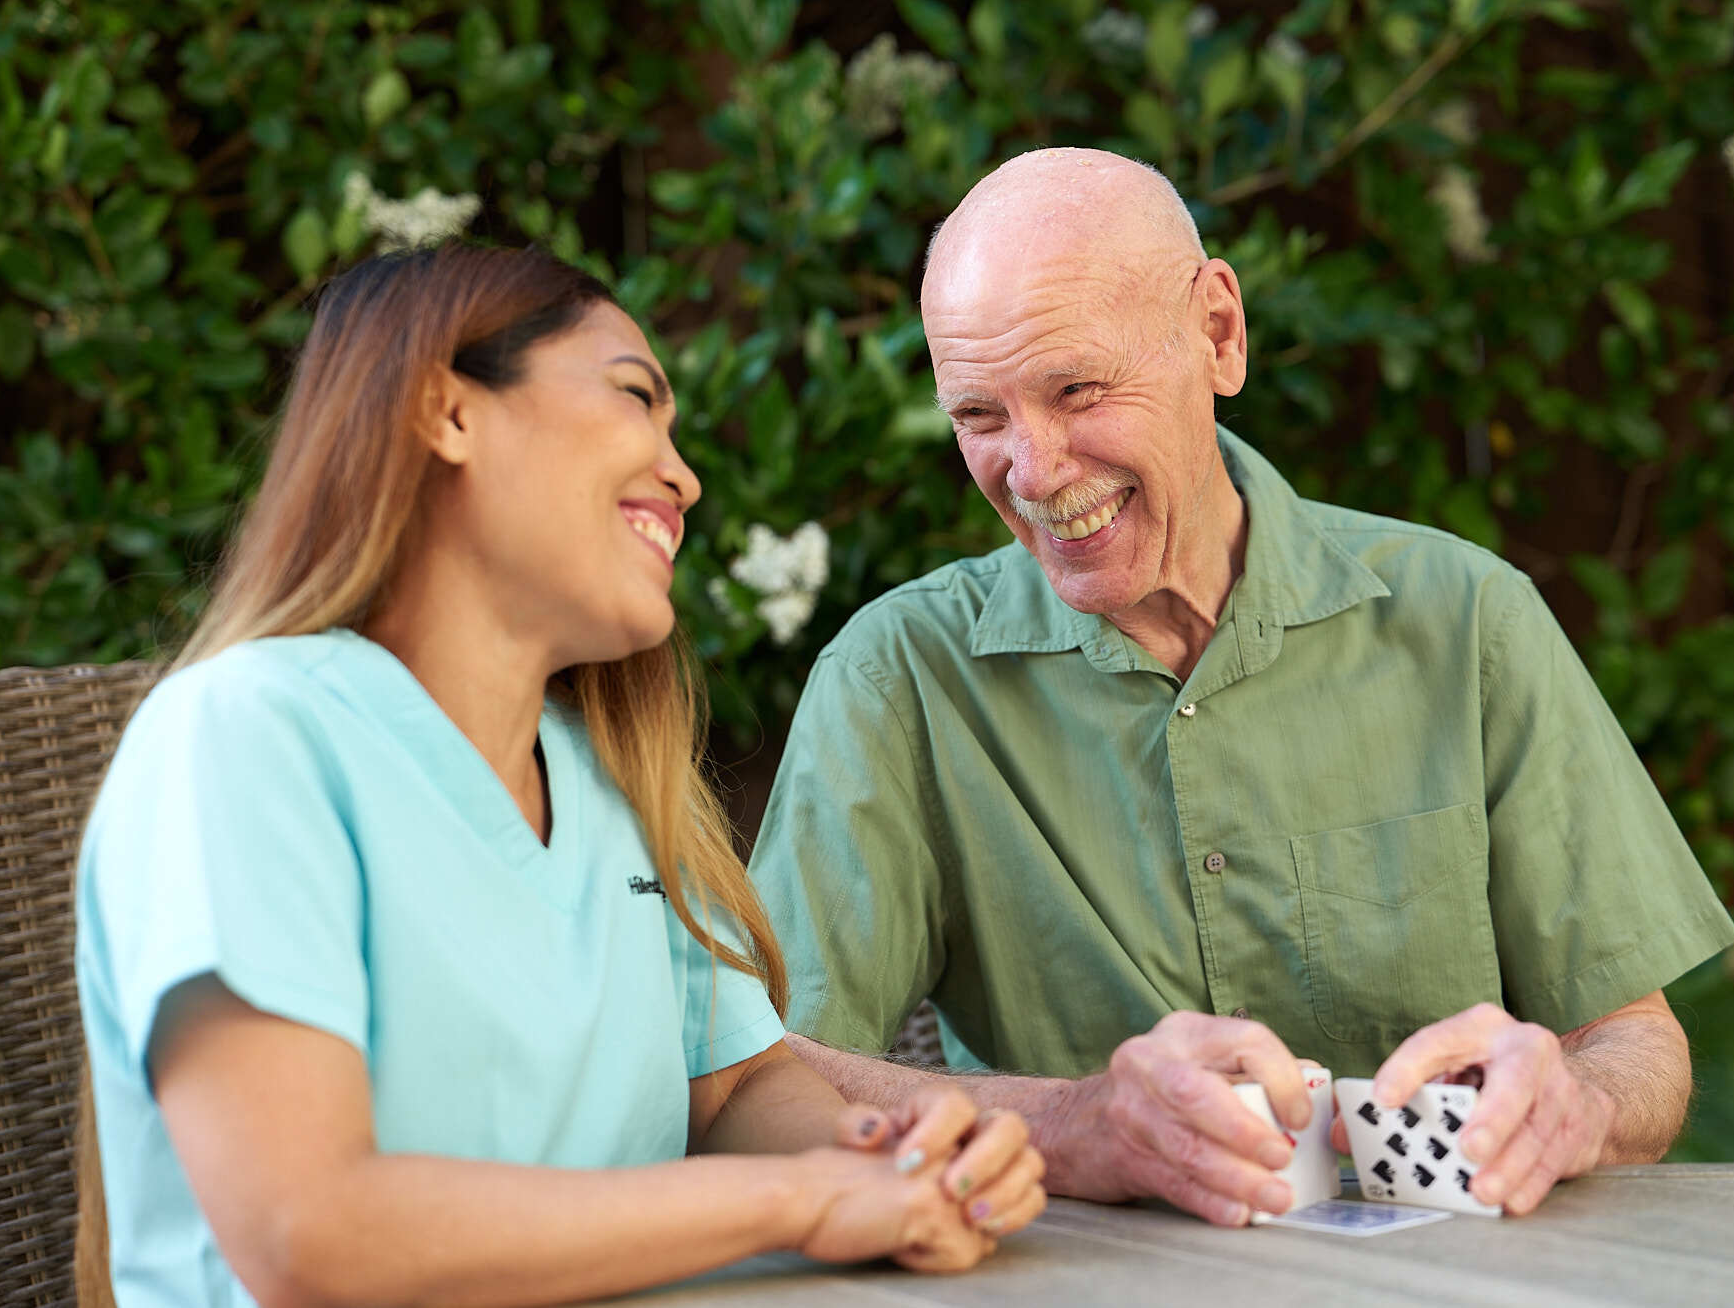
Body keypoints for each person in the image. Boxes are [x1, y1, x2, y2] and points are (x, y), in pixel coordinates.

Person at [748, 149, 1734, 1226]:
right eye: (978, 417)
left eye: (1075, 389)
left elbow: (1634, 1040)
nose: (1028, 473)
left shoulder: (1464, 619)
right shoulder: (897, 675)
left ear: (1217, 333)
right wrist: (1077, 1124)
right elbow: (766, 1076)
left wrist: (1579, 1104)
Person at [73, 244, 1045, 1308]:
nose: (685, 476)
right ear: (444, 412)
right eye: (636, 397)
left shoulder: (608, 775)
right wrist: (799, 1202)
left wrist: (883, 1158)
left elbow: (730, 1091)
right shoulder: (246, 735)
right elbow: (311, 1234)